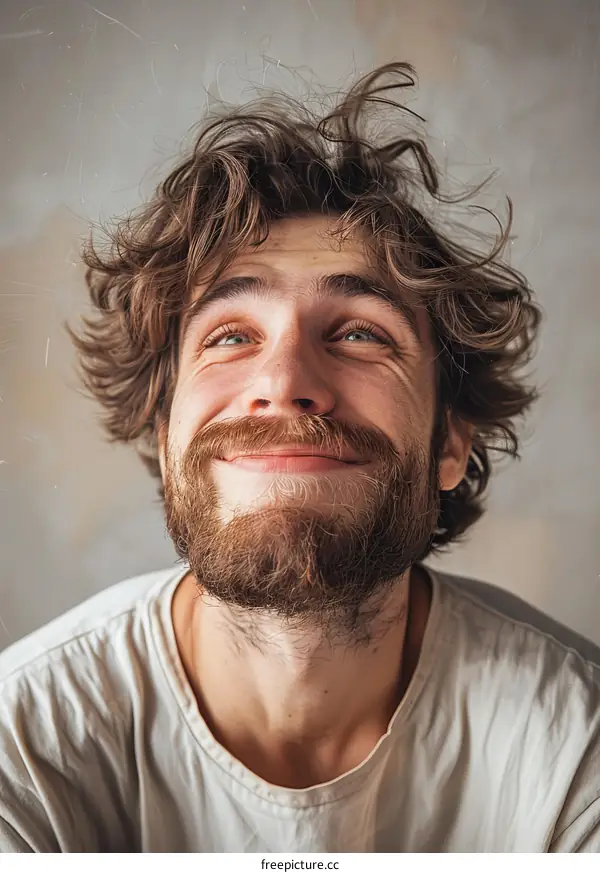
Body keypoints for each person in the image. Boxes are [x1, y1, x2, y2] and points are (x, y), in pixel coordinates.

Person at [0, 61, 598, 854]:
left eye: (358, 332)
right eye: (231, 336)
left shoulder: (574, 747)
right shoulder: (22, 748)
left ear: (451, 441)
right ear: (162, 430)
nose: (283, 385)